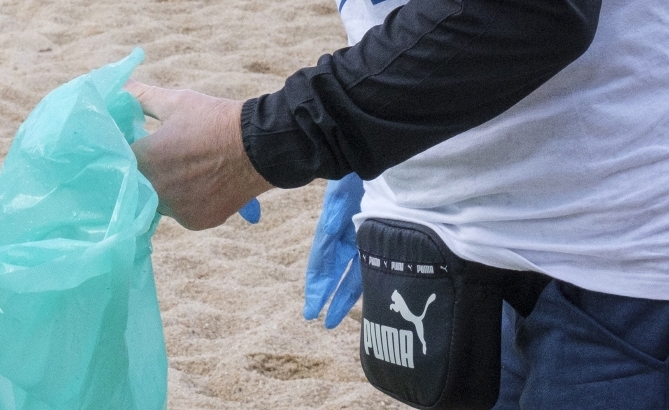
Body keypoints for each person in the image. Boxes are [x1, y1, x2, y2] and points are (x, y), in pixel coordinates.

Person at [128, 0, 668, 407]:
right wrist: (380, 155)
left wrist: (268, 141)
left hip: (619, 264)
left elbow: (529, 12)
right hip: (454, 249)